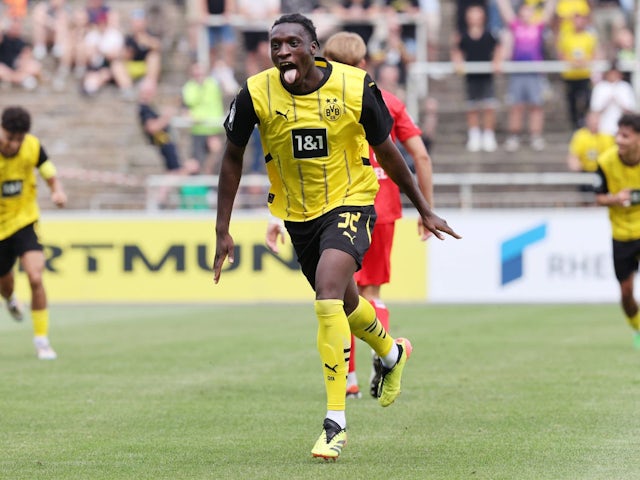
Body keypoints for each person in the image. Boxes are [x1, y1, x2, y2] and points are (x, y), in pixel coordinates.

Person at [213, 13, 460, 461]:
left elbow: (390, 149)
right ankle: (391, 352)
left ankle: (334, 422)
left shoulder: (355, 87)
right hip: (298, 214)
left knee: (327, 296)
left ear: (313, 48)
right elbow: (232, 158)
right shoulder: (254, 92)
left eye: (292, 43)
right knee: (346, 304)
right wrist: (222, 228)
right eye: (275, 45)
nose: (283, 51)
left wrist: (424, 208)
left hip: (352, 202)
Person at [312, 31, 434, 400]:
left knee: (337, 294)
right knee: (371, 292)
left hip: (336, 208)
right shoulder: (391, 102)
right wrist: (425, 208)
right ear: (364, 64)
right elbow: (421, 157)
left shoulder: (319, 101)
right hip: (382, 211)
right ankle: (382, 360)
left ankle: (347, 379)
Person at [0, 106, 66, 360]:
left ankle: (42, 340)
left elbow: (48, 171)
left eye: (18, 139)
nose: (13, 145)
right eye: (9, 138)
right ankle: (11, 299)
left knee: (36, 277)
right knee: (5, 286)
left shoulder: (33, 146)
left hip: (25, 220)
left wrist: (57, 190)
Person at [594, 113, 640, 348]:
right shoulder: (605, 161)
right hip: (621, 234)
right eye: (618, 134)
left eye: (626, 135)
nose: (619, 140)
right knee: (626, 292)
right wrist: (615, 198)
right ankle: (638, 328)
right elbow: (598, 198)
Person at [495, 0, 556, 152]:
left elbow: (548, 13)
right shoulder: (516, 27)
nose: (526, 15)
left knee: (536, 106)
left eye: (529, 11)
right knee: (517, 106)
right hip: (518, 72)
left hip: (535, 72)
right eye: (523, 12)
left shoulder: (538, 27)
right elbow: (506, 12)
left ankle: (536, 136)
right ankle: (514, 136)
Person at [450, 3, 503, 153]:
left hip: (486, 76)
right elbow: (457, 51)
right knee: (472, 106)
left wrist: (497, 61)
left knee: (489, 106)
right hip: (471, 77)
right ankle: (474, 134)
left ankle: (488, 134)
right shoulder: (464, 36)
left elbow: (498, 47)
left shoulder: (489, 34)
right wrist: (458, 63)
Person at [181, 61, 225, 174]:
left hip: (214, 128)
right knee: (197, 163)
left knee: (216, 152)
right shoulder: (188, 87)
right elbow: (185, 109)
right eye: (196, 71)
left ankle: (209, 176)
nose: (198, 74)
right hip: (198, 130)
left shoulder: (214, 84)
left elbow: (228, 88)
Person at [589, 60, 636, 137]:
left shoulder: (625, 87)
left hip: (622, 127)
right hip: (604, 128)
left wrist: (618, 101)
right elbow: (595, 110)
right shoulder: (600, 87)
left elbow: (630, 109)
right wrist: (607, 101)